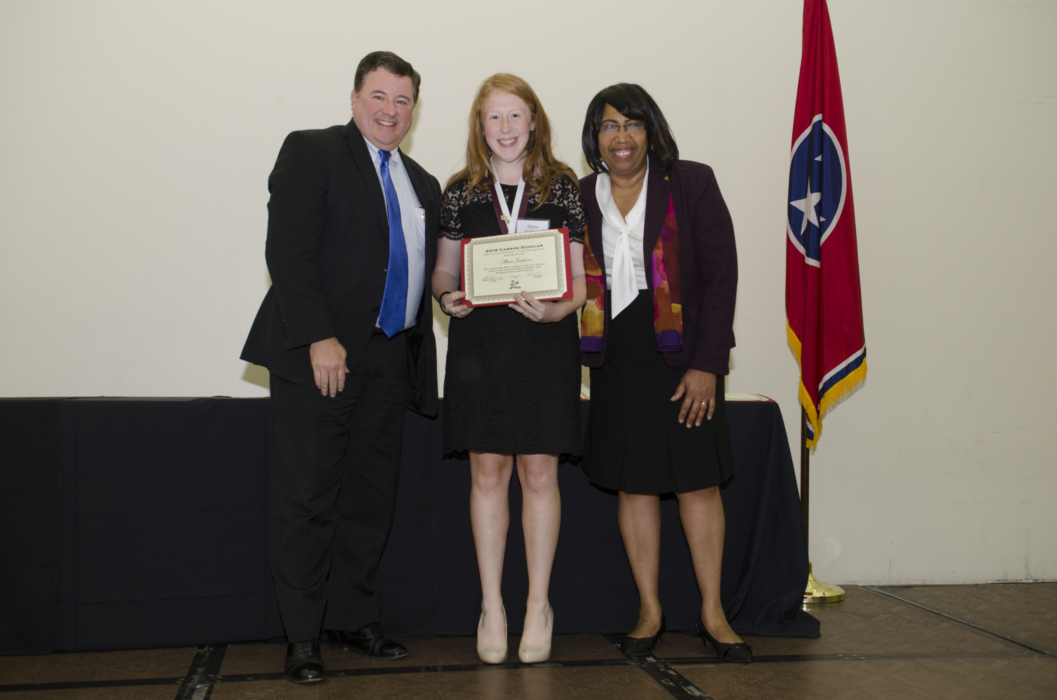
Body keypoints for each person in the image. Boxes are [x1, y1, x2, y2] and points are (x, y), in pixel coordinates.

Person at [240, 51, 440, 684]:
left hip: (389, 358)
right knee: (306, 499)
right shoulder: (313, 151)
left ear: (413, 110)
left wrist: (454, 295)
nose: (390, 110)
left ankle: (354, 620)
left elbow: (419, 267)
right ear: (354, 100)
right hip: (321, 356)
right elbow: (288, 252)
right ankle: (302, 637)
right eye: (378, 96)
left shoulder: (423, 184)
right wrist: (319, 337)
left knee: (369, 499)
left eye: (402, 100)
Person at [577, 84, 751, 663]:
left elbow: (722, 277)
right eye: (608, 125)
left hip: (682, 354)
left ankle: (713, 613)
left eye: (632, 123)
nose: (621, 136)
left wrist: (708, 365)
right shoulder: (581, 194)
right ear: (595, 137)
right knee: (636, 483)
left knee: (698, 482)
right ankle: (650, 611)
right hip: (617, 355)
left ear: (651, 130)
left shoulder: (691, 182)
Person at [432, 74, 586, 665]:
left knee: (540, 476)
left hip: (545, 346)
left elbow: (579, 280)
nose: (505, 128)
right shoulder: (460, 191)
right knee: (488, 475)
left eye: (515, 115)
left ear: (534, 121)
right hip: (481, 351)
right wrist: (447, 298)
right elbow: (445, 271)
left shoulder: (563, 186)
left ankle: (537, 606)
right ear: (480, 125)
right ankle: (492, 607)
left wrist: (558, 310)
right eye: (493, 116)